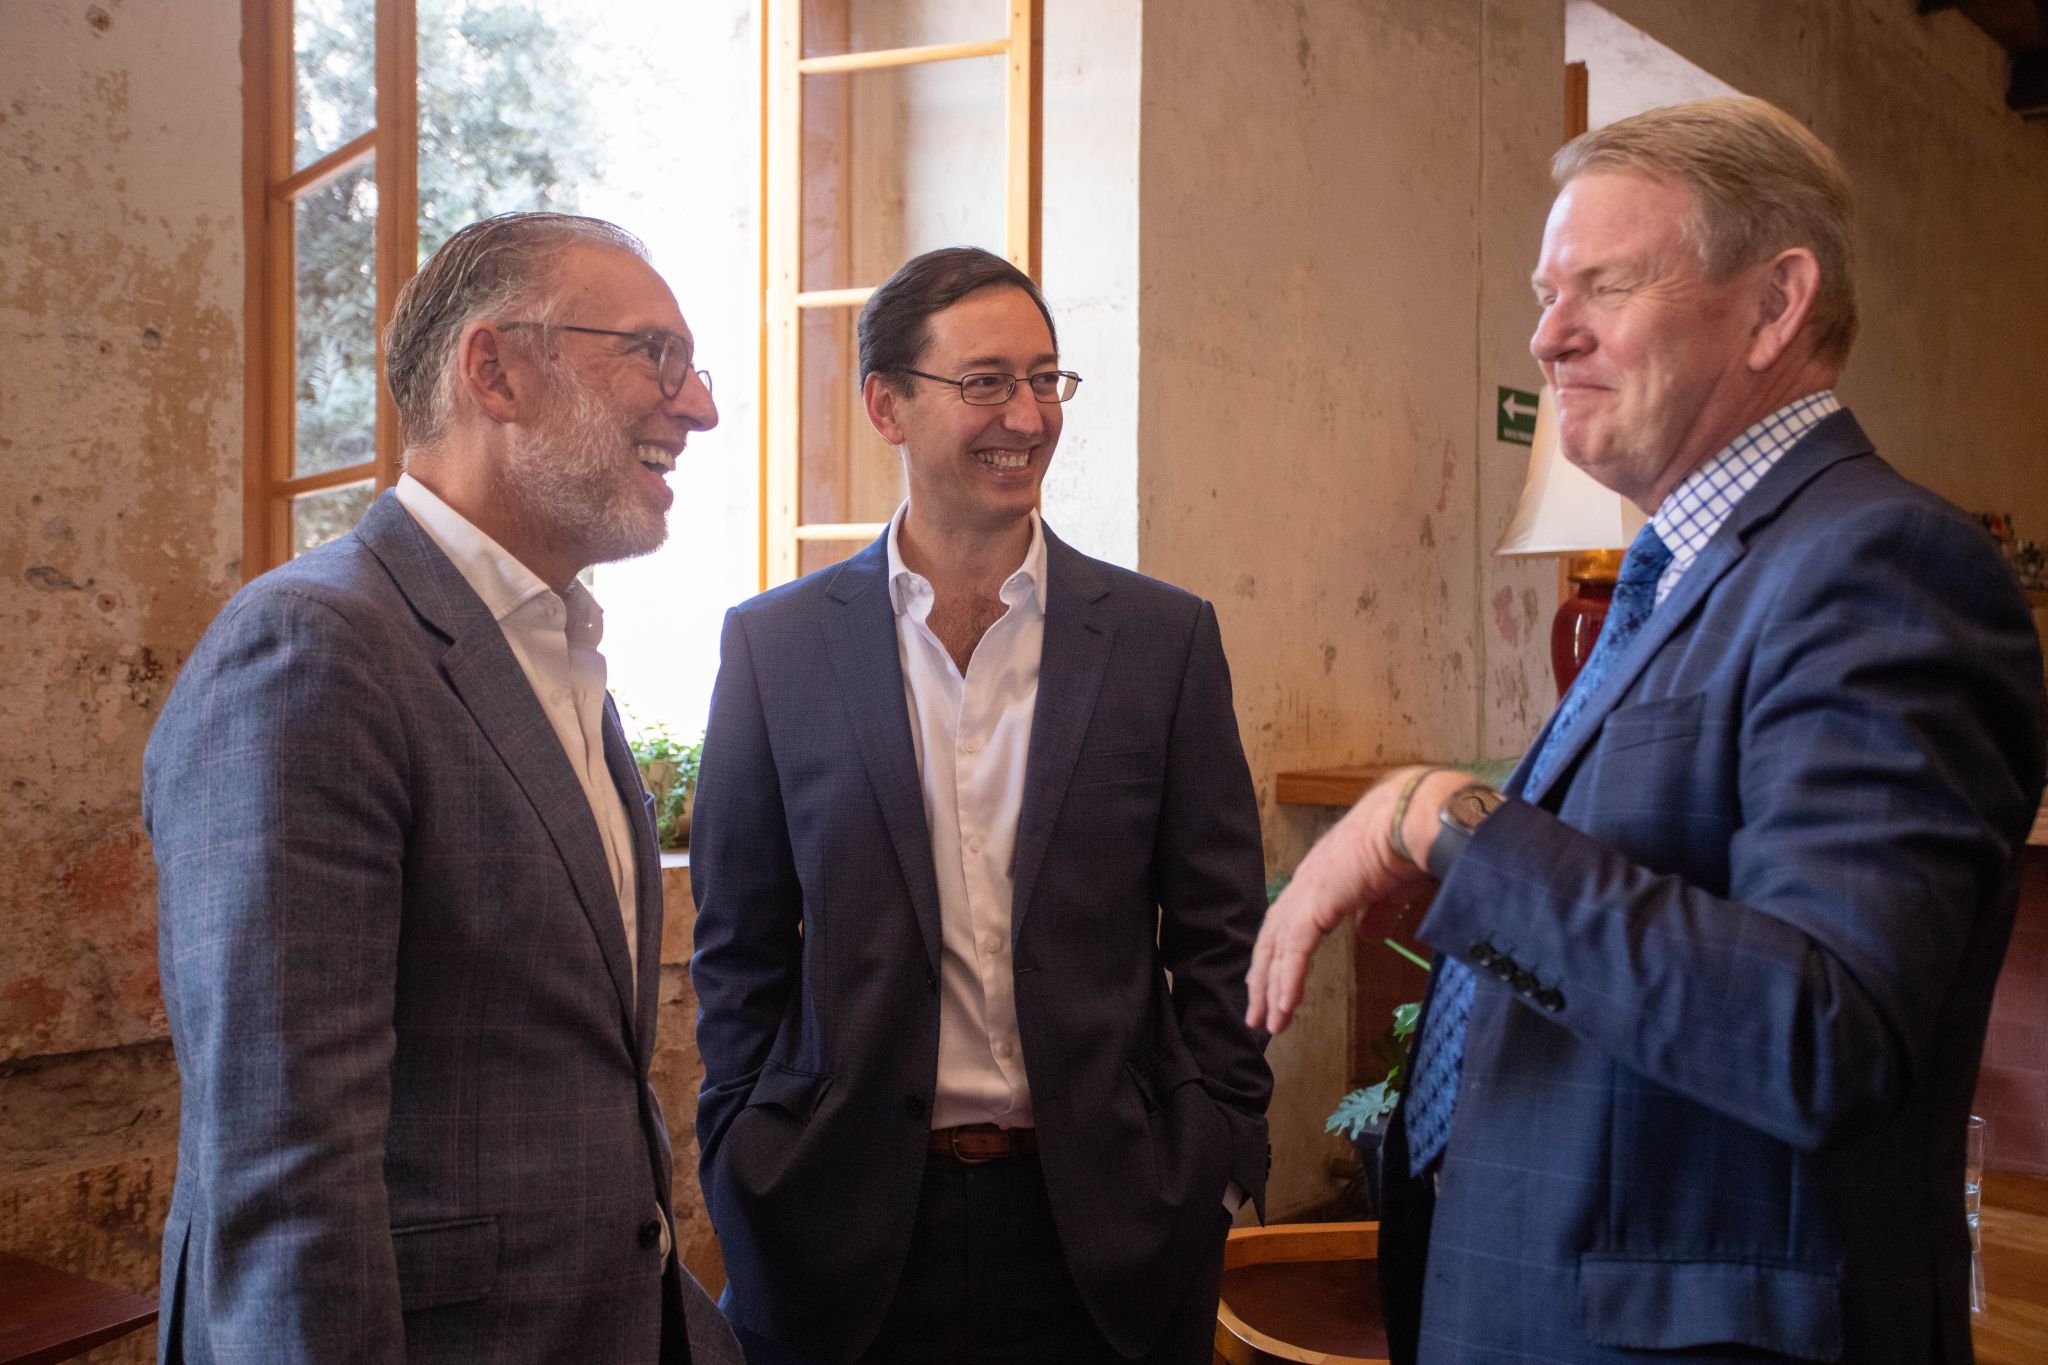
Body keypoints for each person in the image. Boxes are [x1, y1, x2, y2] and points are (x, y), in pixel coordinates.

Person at [1247, 97, 2046, 1364]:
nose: (1546, 335)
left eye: (1602, 286)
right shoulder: (1684, 566)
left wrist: (1445, 818)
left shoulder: (1880, 564)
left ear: (1775, 302)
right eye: (1543, 290)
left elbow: (1818, 1033)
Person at [144, 212, 740, 1364]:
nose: (698, 406)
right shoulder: (311, 648)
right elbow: (283, 1165)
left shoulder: (553, 646)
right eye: (653, 355)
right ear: (494, 370)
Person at [690, 246, 1272, 1364]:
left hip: (1106, 1220)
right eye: (985, 381)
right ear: (886, 405)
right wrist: (745, 1150)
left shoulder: (1161, 640)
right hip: (840, 1221)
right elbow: (739, 944)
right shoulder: (775, 648)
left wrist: (1216, 1152)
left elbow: (1219, 934)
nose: (1026, 414)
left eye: (1044, 378)